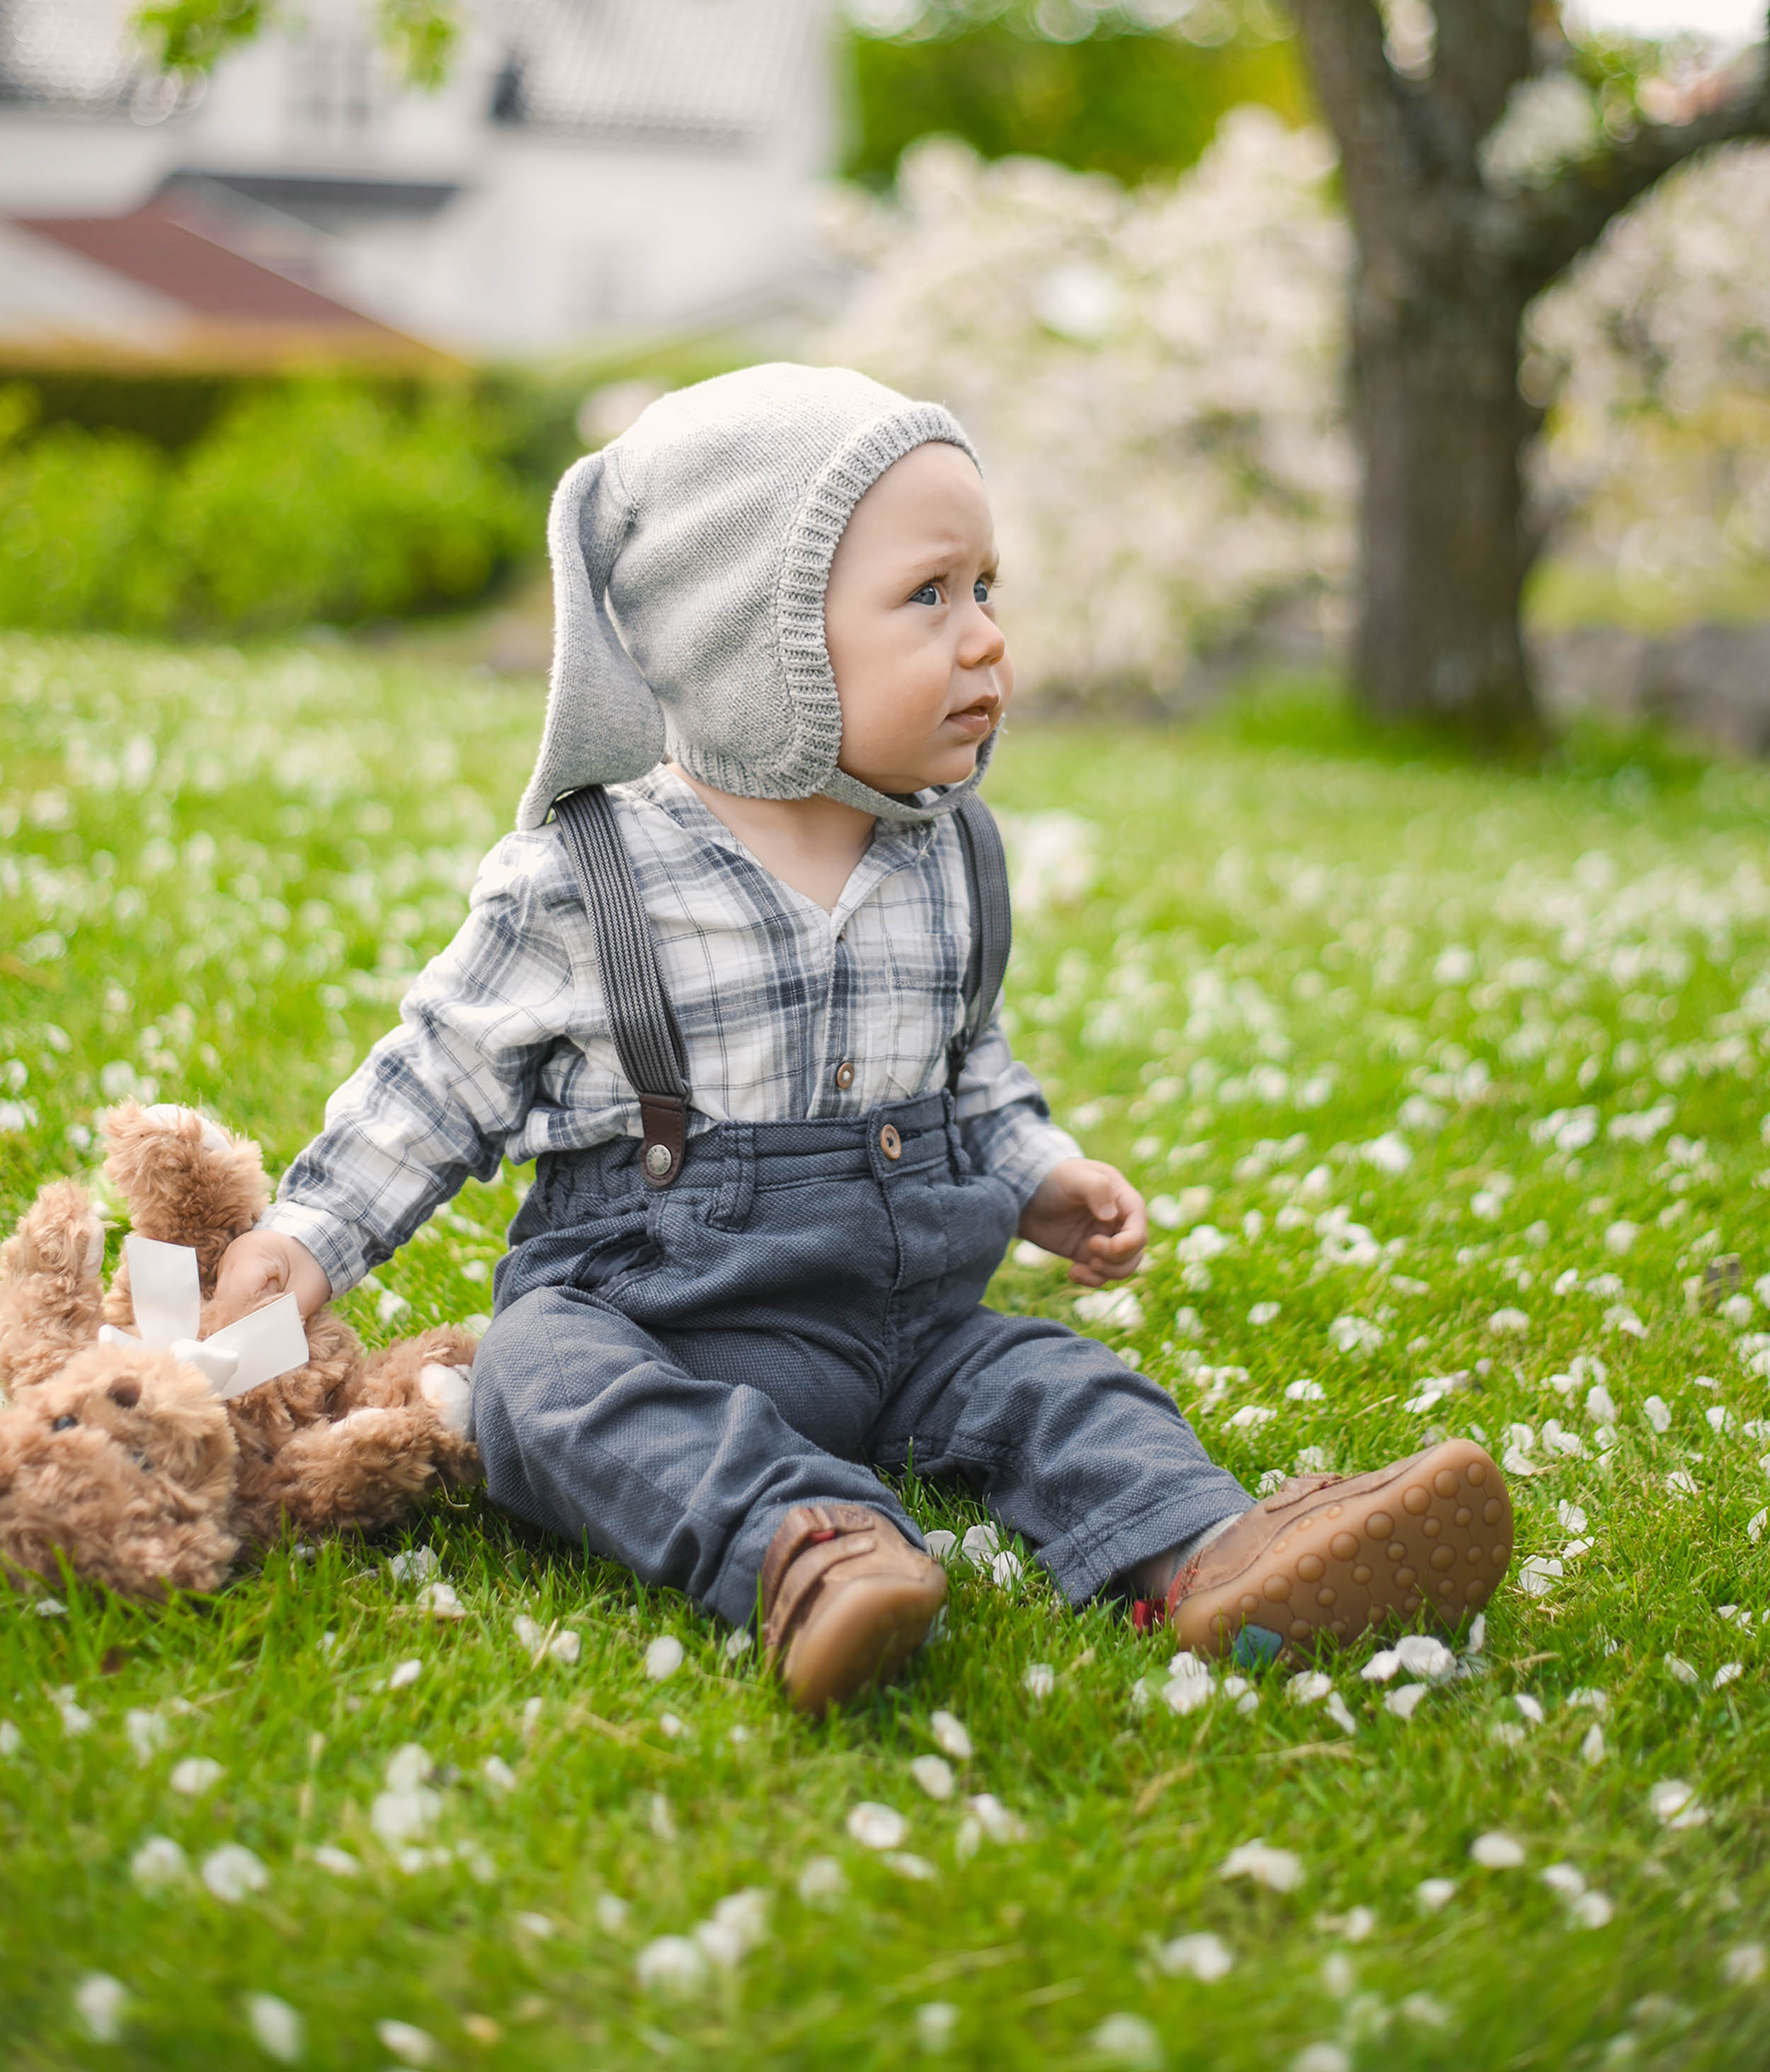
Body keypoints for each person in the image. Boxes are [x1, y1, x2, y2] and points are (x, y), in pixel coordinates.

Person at [213, 367, 1512, 1711]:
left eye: (988, 589)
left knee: (1061, 1380)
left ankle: (1215, 1557)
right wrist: (309, 1235)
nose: (988, 639)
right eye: (929, 596)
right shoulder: (586, 878)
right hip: (667, 1318)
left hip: (911, 1325)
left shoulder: (949, 853)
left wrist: (1037, 1170)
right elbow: (438, 1077)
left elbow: (969, 1062)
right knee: (537, 1380)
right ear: (752, 640)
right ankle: (807, 1545)